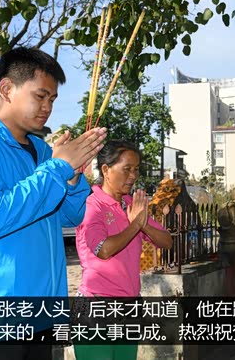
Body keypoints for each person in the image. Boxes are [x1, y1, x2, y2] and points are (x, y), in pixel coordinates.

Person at [0, 48, 107, 359]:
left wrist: (72, 177)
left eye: (52, 99)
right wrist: (57, 169)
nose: (47, 108)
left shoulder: (43, 152)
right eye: (40, 96)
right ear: (6, 89)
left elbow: (71, 216)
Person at [75, 140, 172, 360]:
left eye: (136, 169)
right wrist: (136, 225)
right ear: (106, 169)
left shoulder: (131, 203)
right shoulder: (92, 205)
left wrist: (143, 224)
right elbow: (103, 249)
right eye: (126, 169)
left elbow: (167, 242)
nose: (133, 175)